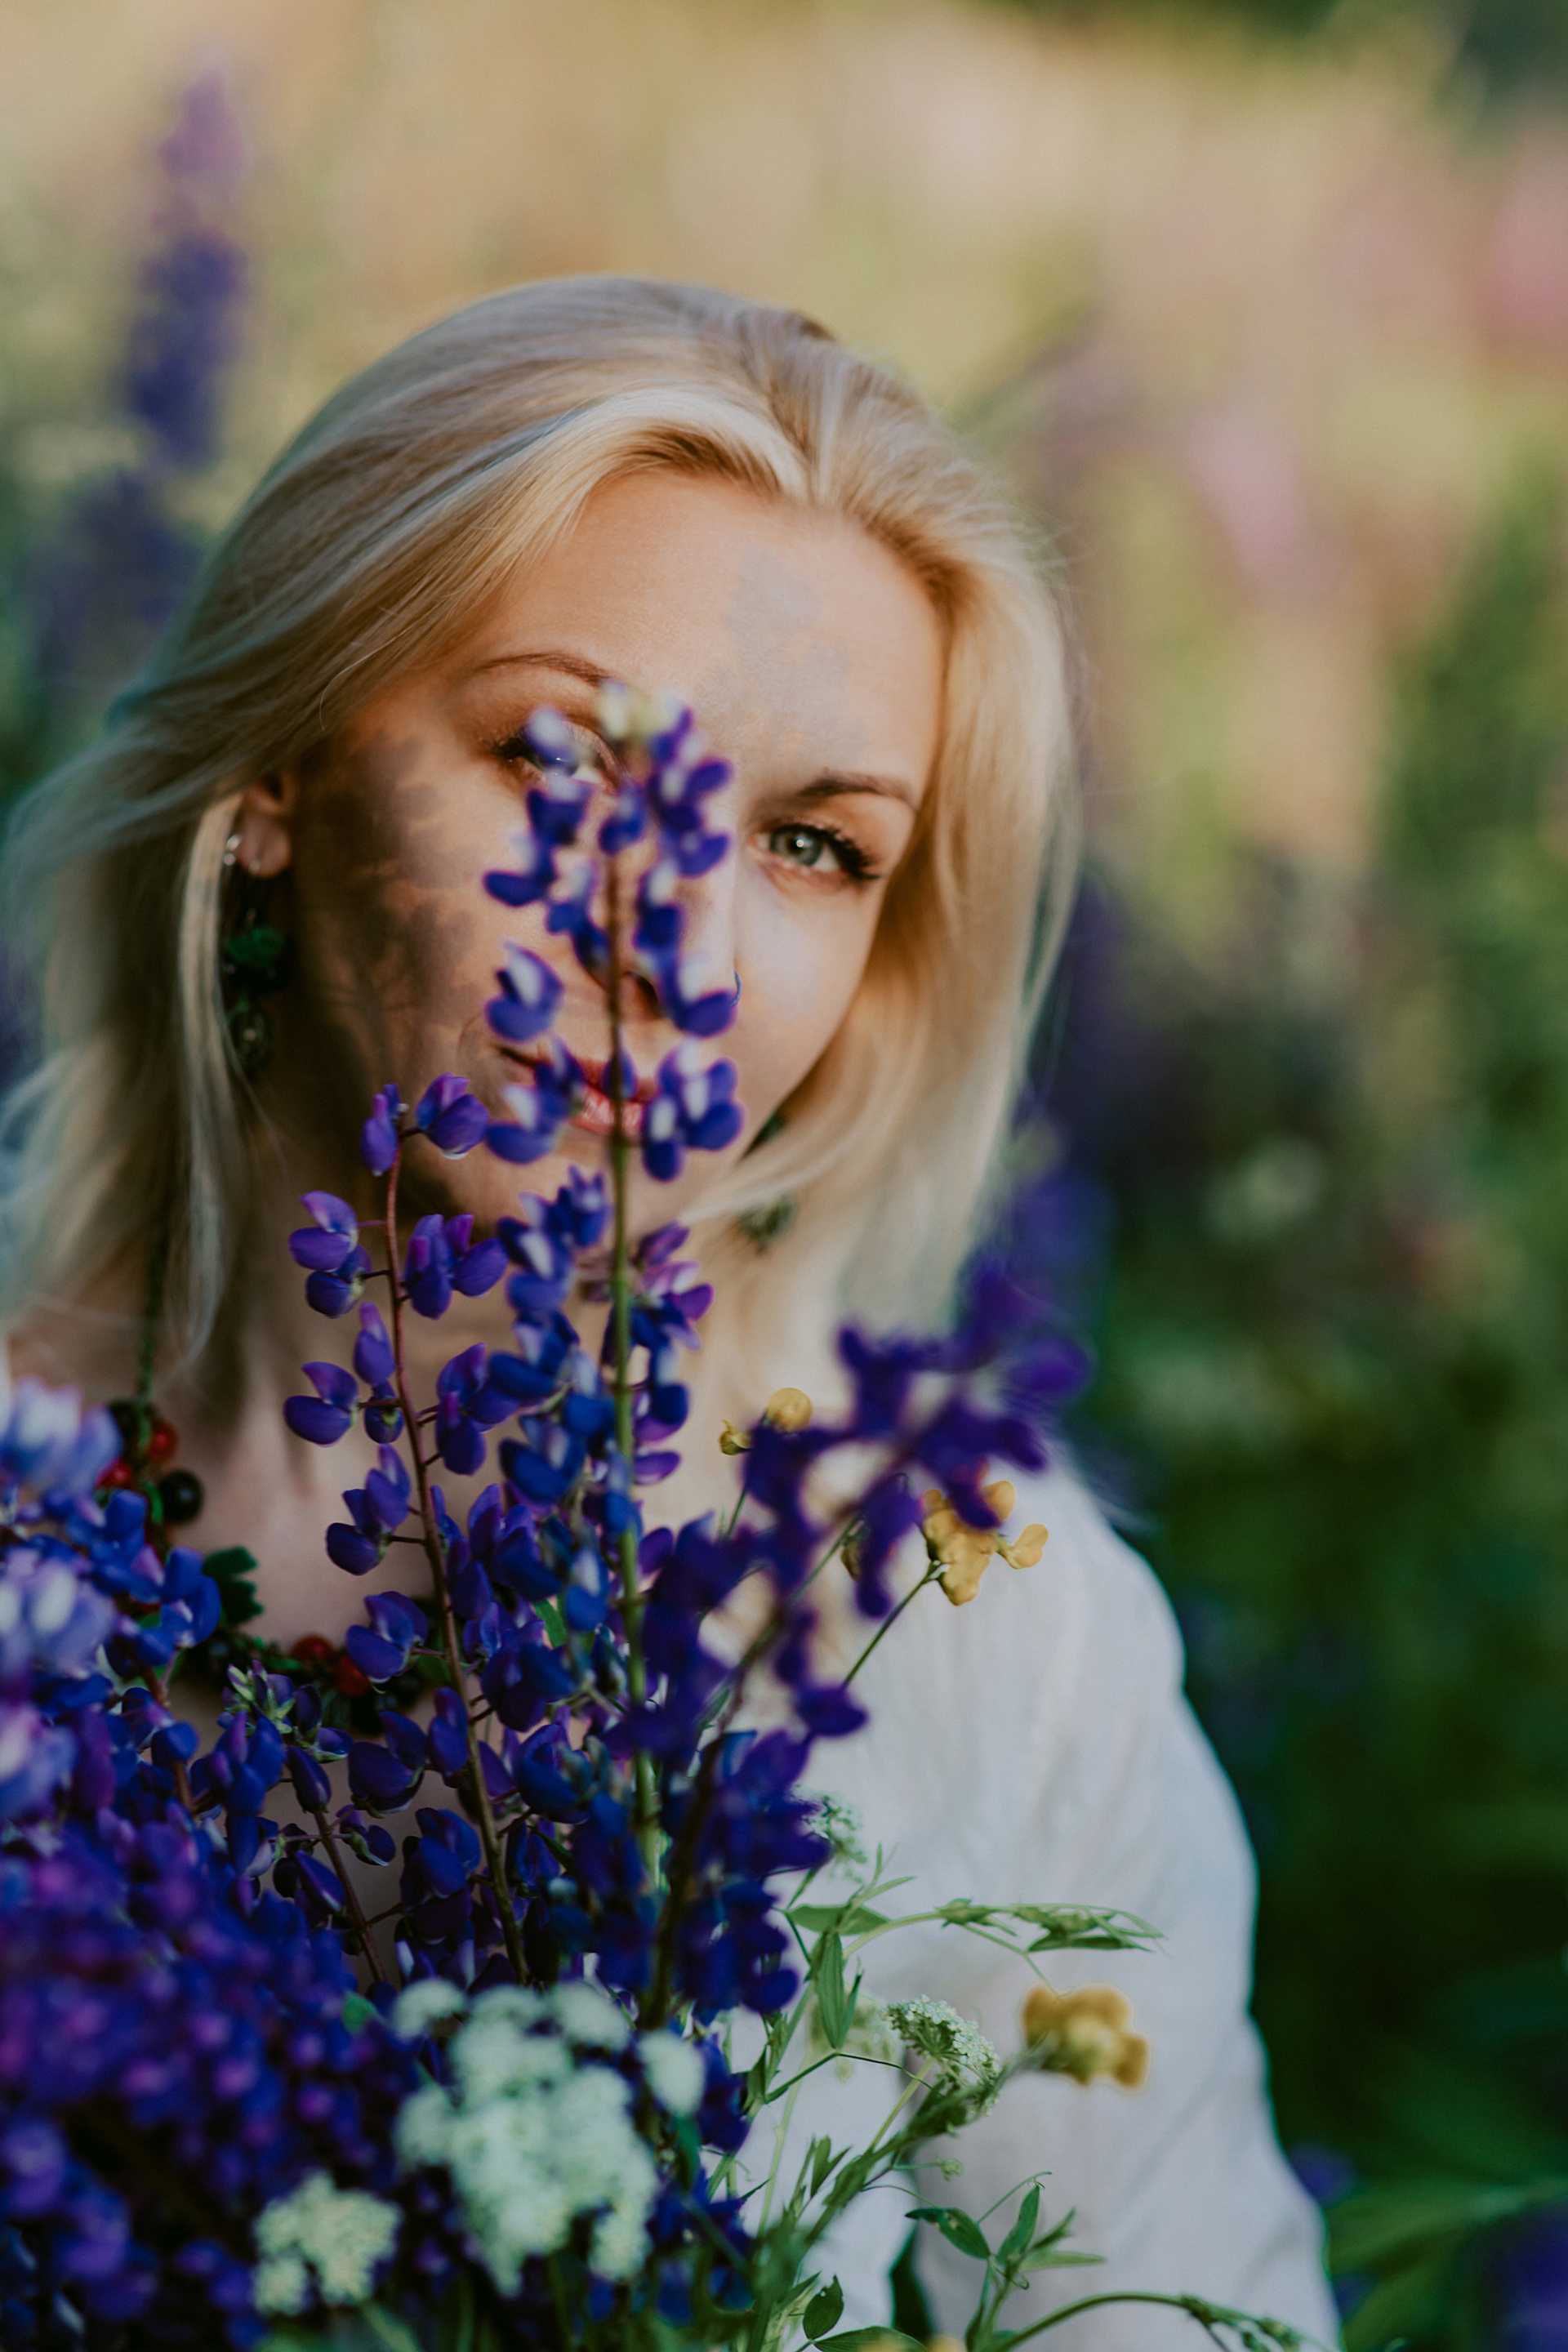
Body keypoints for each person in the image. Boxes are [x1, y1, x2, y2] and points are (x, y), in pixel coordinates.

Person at [0, 277, 1335, 2345]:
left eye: (811, 845)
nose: (677, 947)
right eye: (561, 757)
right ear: (273, 770)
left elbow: (1170, 2309)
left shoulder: (968, 1625)